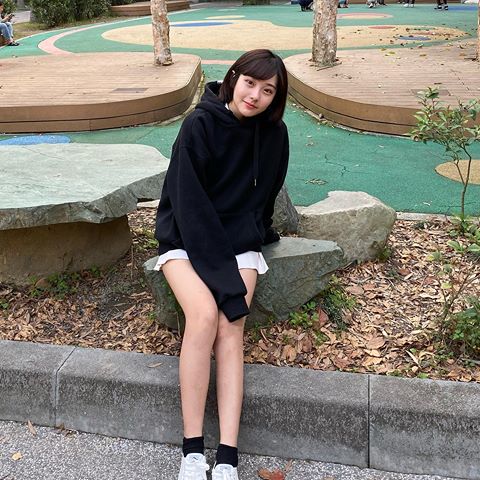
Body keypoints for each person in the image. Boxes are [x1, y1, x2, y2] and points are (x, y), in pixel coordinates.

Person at [154, 49, 289, 480]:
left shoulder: (275, 134)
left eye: (268, 90)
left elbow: (266, 194)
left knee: (232, 327)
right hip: (186, 238)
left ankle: (228, 456)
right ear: (233, 78)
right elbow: (188, 208)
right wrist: (226, 285)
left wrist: (258, 230)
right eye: (250, 83)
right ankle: (192, 452)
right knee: (205, 316)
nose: (255, 96)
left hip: (237, 242)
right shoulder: (199, 124)